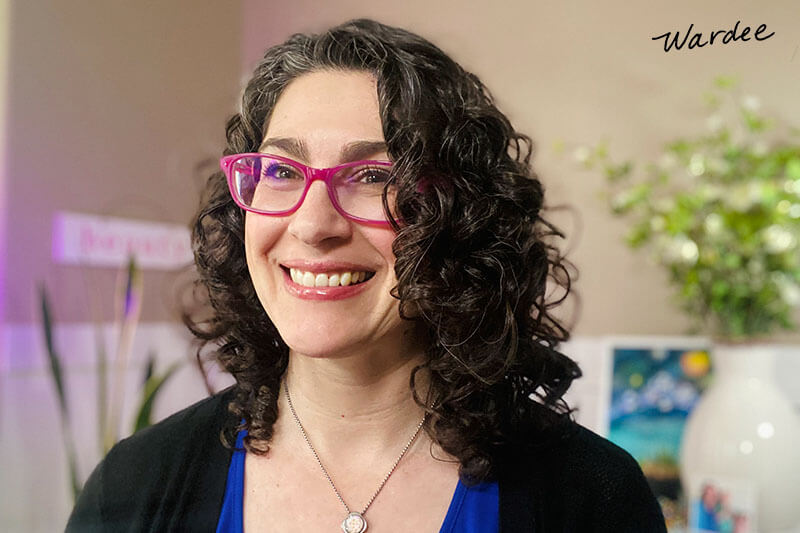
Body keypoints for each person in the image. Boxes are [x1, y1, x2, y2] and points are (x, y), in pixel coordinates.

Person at [67, 18, 667, 532]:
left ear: (459, 217)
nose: (312, 225)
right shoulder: (134, 489)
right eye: (280, 171)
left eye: (374, 176)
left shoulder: (593, 500)